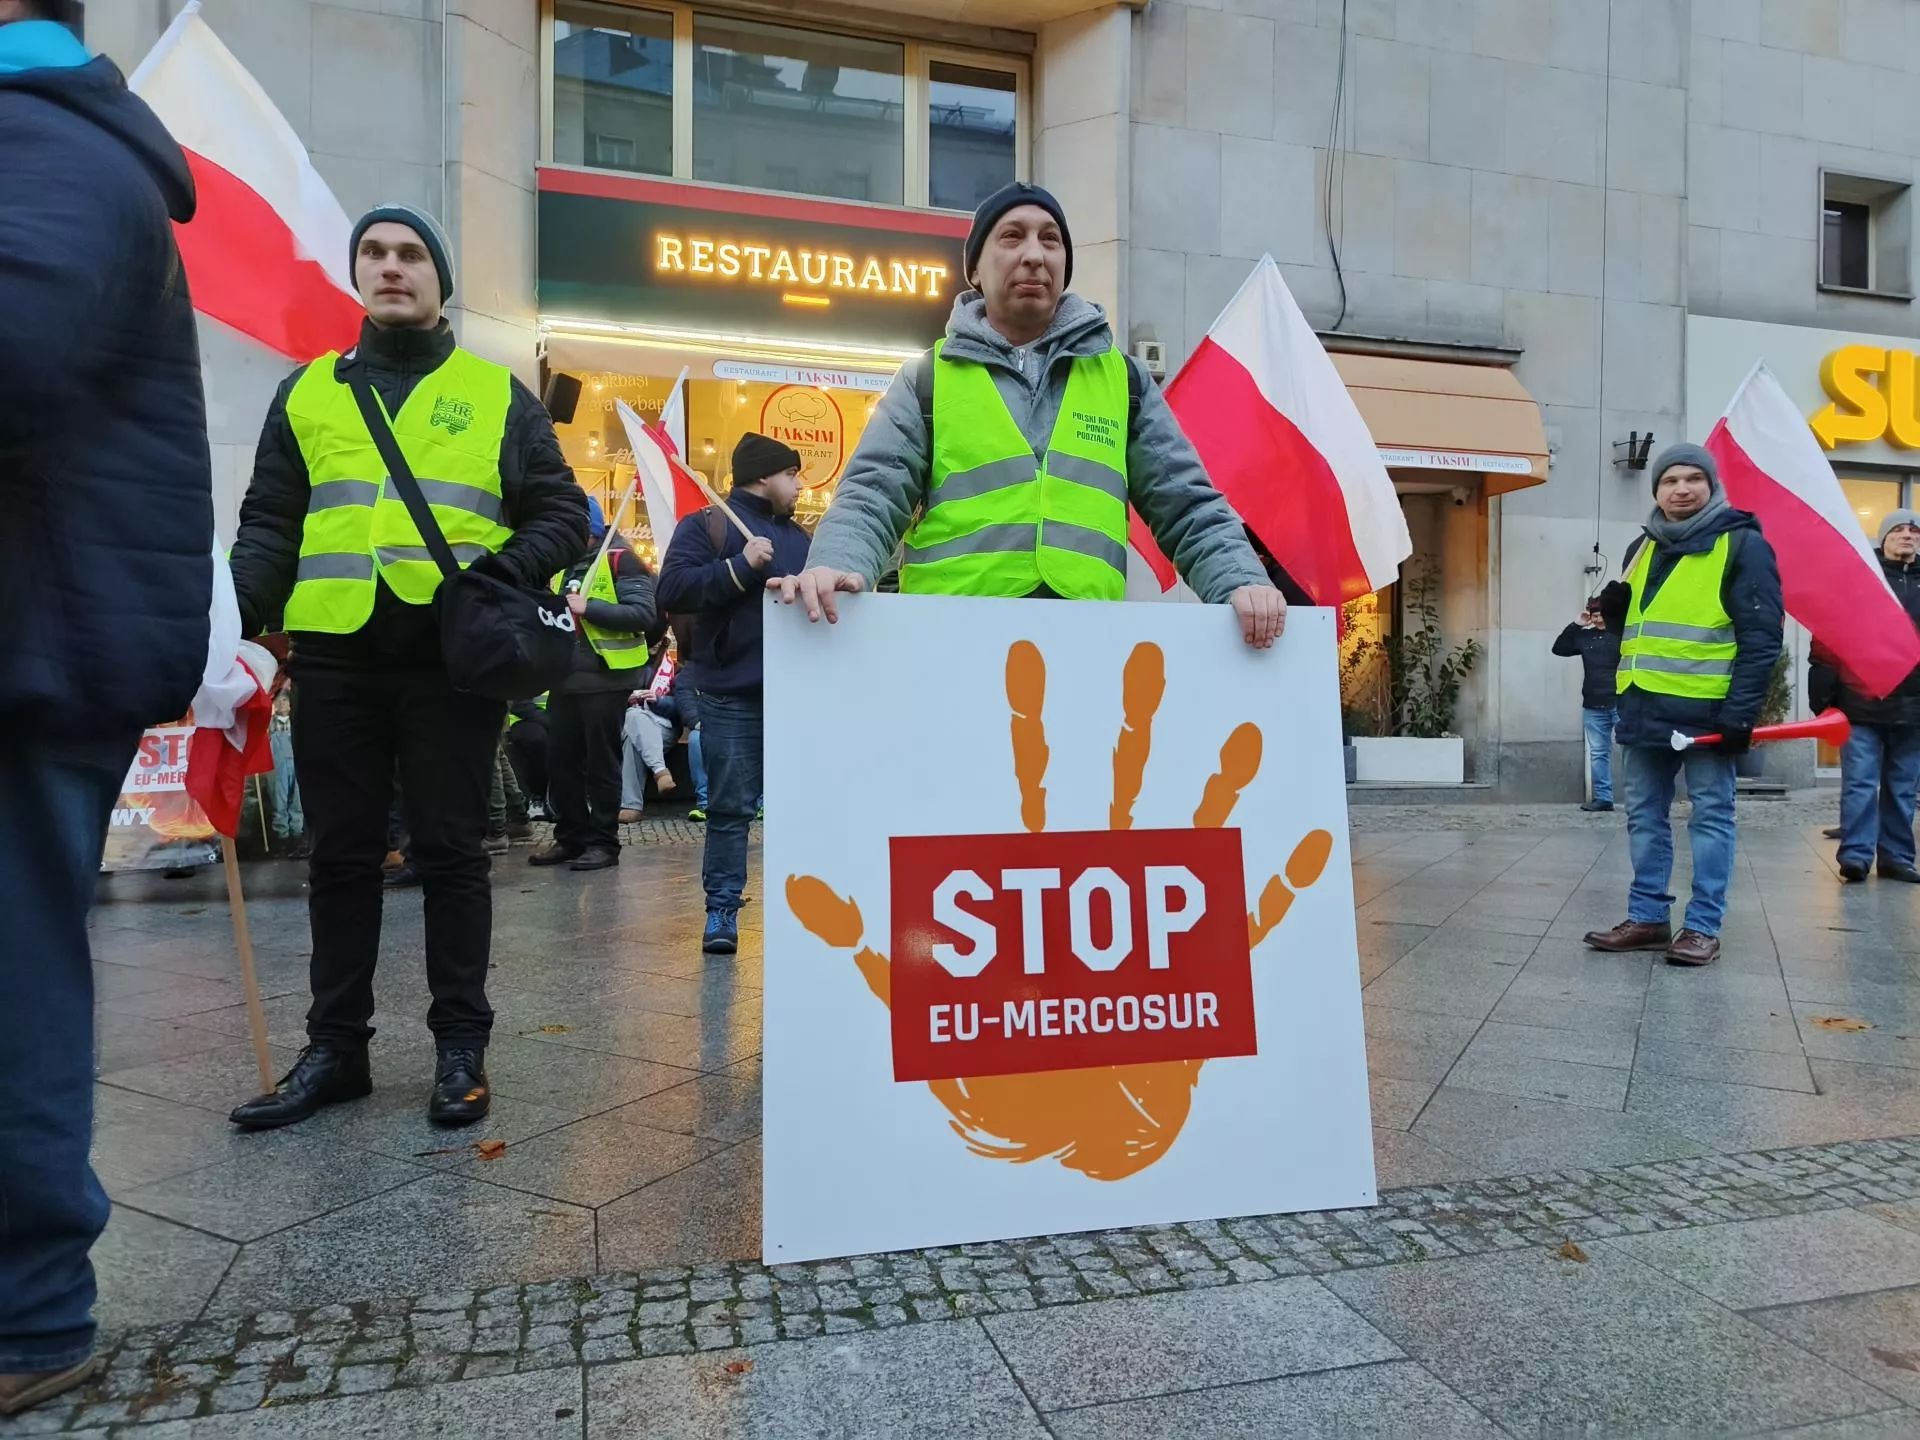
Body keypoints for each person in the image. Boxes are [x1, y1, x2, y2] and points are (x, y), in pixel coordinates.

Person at [225, 203, 586, 1130]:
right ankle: (335, 1049)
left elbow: (562, 516)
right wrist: (228, 622)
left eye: (412, 253)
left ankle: (461, 1046)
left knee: (450, 853)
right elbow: (270, 523)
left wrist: (498, 573)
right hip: (334, 654)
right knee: (340, 858)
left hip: (448, 663)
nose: (392, 266)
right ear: (357, 274)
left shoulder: (497, 394)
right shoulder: (307, 392)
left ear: (441, 279)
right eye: (375, 253)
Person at [0, 0, 212, 1414]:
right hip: (54, 629)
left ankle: (26, 1312)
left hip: (38, 643)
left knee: (14, 975)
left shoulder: (47, 143)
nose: (389, 273)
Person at [767, 181, 1284, 647]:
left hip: (1086, 648)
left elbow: (1187, 504)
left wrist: (1241, 580)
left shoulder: (1122, 378)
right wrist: (835, 564)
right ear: (975, 269)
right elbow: (872, 494)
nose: (1034, 255)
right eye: (1012, 237)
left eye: (1050, 240)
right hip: (950, 648)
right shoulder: (927, 378)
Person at [1583, 444, 1783, 968]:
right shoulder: (1642, 547)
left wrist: (1741, 714)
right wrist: (1616, 613)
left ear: (1711, 485)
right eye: (1670, 480)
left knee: (1711, 817)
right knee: (1644, 818)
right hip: (1642, 709)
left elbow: (1762, 639)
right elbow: (1645, 633)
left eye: (1694, 478)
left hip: (1707, 716)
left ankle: (1702, 927)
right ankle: (1648, 917)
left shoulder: (1742, 545)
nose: (1682, 489)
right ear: (1656, 490)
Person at [657, 434, 811, 953]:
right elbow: (671, 590)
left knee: (805, 808)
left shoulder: (802, 538)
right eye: (791, 474)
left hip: (797, 697)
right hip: (730, 695)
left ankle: (809, 913)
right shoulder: (707, 526)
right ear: (764, 476)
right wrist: (739, 567)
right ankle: (721, 909)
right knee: (728, 810)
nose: (799, 485)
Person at [530, 500, 656, 871]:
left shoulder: (622, 559)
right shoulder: (565, 562)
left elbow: (644, 614)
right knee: (561, 763)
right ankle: (570, 838)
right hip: (565, 679)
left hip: (606, 678)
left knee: (601, 765)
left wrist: (589, 608)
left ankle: (603, 843)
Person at [1812, 509, 1920, 884]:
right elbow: (1830, 636)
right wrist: (1822, 695)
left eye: (1913, 530)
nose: (1907, 535)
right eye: (1899, 530)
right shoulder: (1861, 578)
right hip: (1860, 703)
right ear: (1883, 537)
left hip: (1914, 707)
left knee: (1903, 789)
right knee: (1860, 784)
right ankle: (1855, 856)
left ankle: (1896, 858)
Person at [1553, 597, 1623, 812]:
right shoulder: (1585, 636)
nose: (1598, 619)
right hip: (1593, 703)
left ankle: (1638, 797)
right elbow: (1559, 648)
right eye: (1594, 615)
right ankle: (1603, 797)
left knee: (1632, 751)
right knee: (1598, 753)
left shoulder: (1621, 634)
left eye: (1601, 614)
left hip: (1621, 701)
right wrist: (1576, 625)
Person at [621, 650, 680, 821]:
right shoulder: (623, 667)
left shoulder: (675, 667)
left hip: (663, 726)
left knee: (632, 736)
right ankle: (660, 771)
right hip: (628, 723)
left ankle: (631, 805)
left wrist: (659, 700)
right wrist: (624, 700)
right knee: (633, 718)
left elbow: (683, 705)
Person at [265, 685, 308, 858]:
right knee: (279, 801)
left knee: (297, 801)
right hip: (277, 766)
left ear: (290, 704)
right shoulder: (268, 723)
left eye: (285, 700)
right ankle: (282, 838)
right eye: (278, 700)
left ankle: (297, 837)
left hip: (296, 764)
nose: (281, 703)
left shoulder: (297, 722)